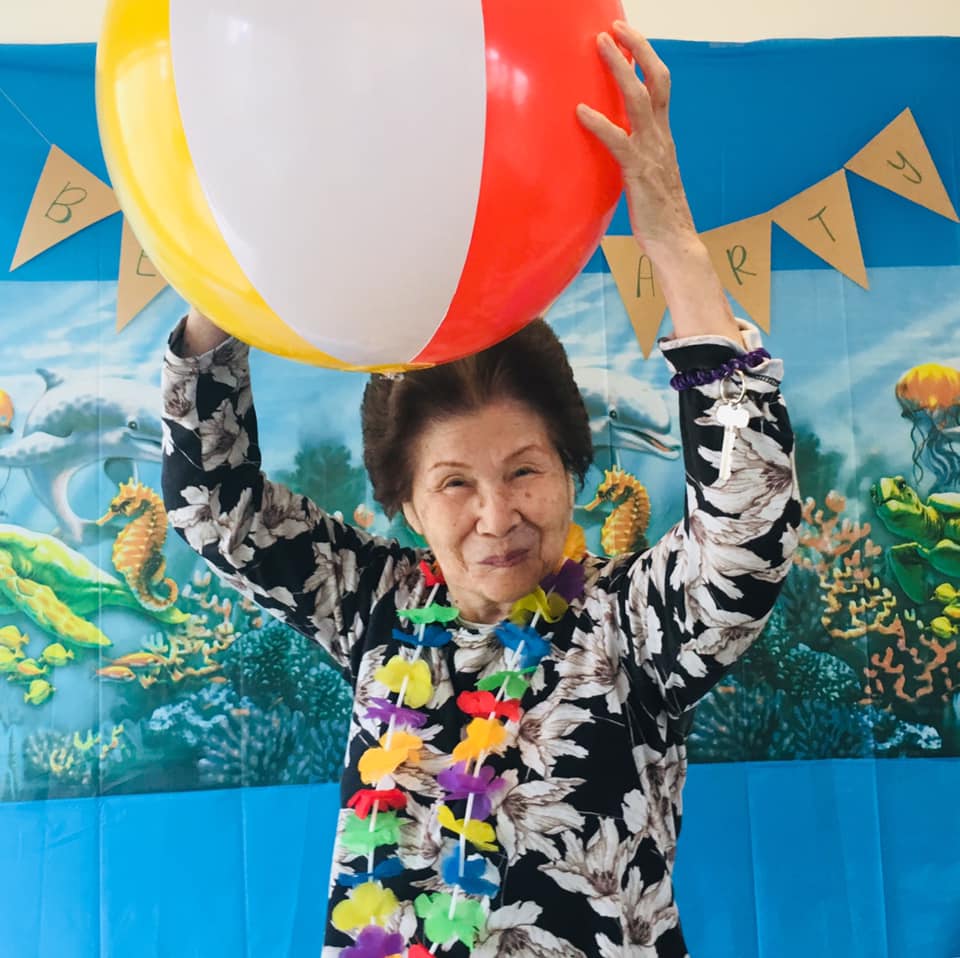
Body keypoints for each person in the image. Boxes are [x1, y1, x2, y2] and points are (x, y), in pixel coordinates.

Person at [161, 21, 800, 958]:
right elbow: (216, 507)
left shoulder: (631, 631)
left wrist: (665, 226)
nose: (496, 516)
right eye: (454, 483)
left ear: (573, 473)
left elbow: (748, 533)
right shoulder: (376, 607)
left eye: (525, 471)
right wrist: (233, 251)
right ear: (409, 506)